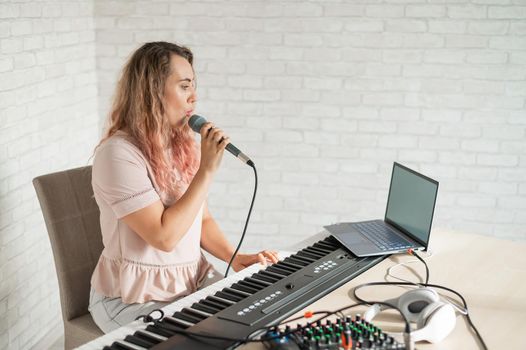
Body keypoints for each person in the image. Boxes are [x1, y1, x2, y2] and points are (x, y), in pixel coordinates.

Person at [88, 41, 279, 333]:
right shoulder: (118, 155)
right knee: (212, 339)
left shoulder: (178, 146)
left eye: (194, 86)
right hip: (133, 300)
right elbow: (164, 237)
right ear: (152, 91)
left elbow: (201, 219)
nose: (194, 97)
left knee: (261, 314)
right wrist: (207, 171)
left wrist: (234, 257)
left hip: (192, 282)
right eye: (184, 86)